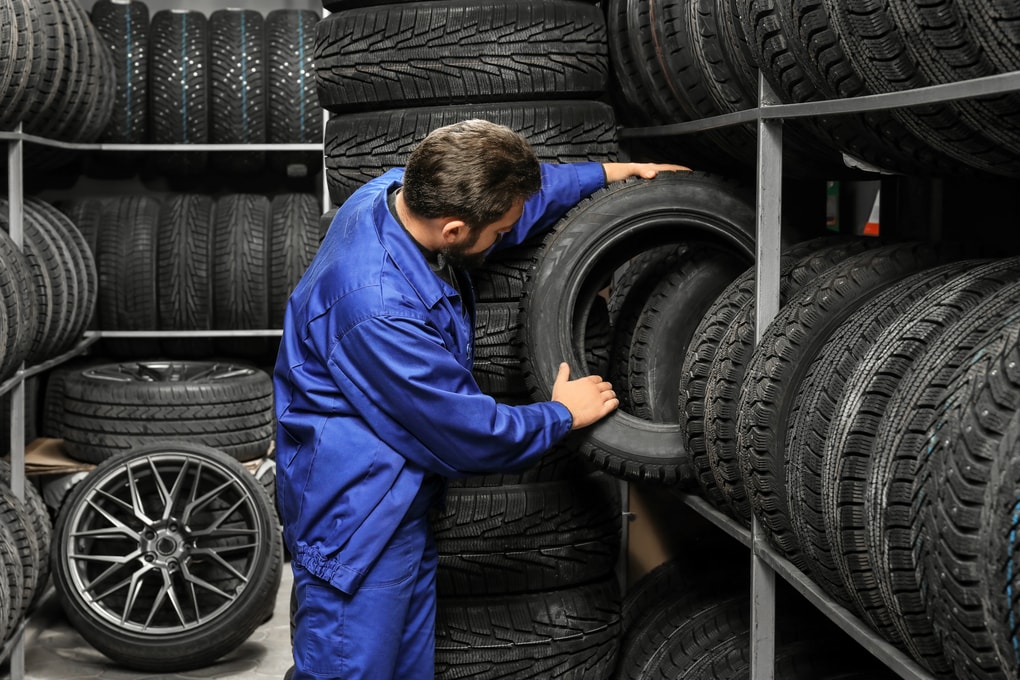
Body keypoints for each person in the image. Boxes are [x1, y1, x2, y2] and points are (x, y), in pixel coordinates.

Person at [273, 119, 686, 680]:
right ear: (453, 230)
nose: (504, 241)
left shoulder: (392, 193)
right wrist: (564, 413)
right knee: (351, 671)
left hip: (397, 504)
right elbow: (464, 432)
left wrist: (609, 174)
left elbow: (514, 203)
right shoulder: (379, 308)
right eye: (496, 234)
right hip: (356, 522)